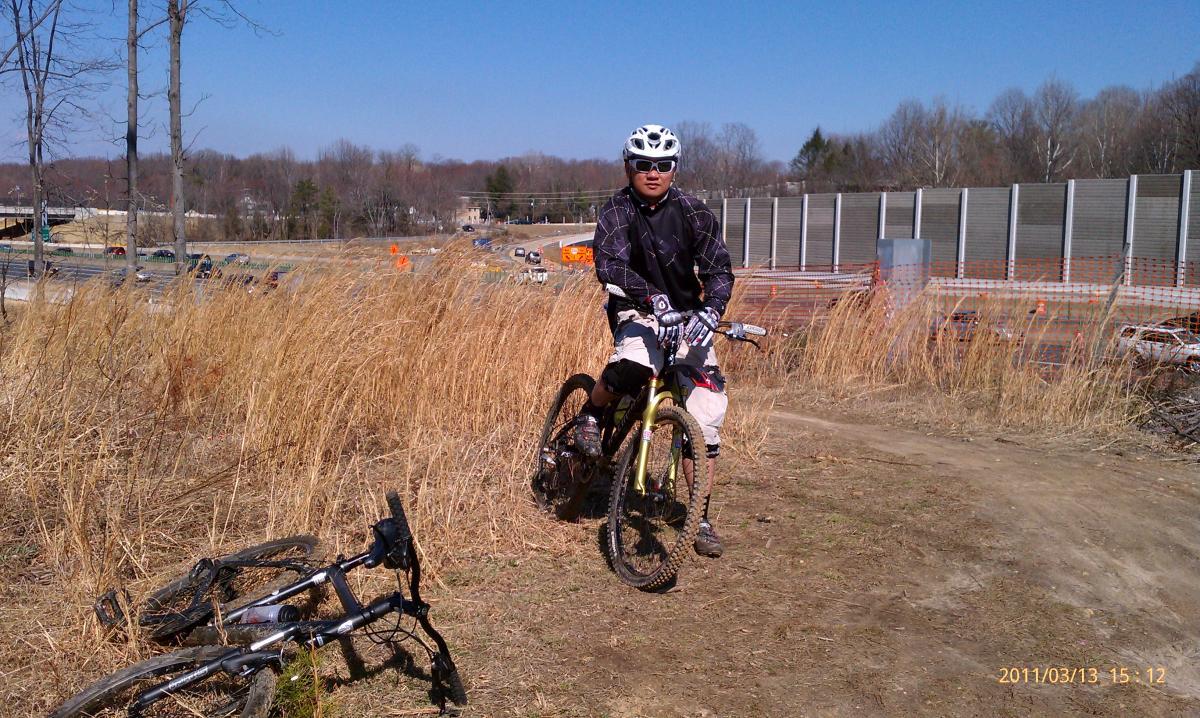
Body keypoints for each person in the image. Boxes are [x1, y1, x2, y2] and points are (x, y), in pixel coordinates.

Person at [573, 124, 735, 558]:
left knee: (706, 412)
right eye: (643, 164)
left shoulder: (694, 212)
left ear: (674, 168)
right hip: (635, 308)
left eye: (662, 165)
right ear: (629, 166)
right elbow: (609, 264)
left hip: (686, 319)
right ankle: (592, 412)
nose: (652, 172)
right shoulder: (617, 210)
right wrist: (651, 297)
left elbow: (719, 269)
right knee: (635, 365)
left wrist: (711, 310)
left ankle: (699, 515)